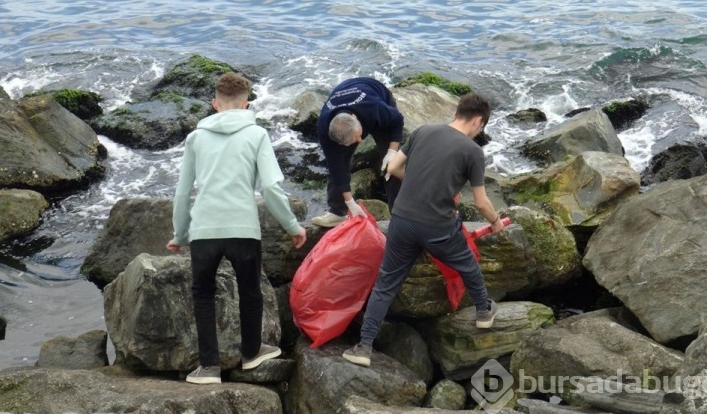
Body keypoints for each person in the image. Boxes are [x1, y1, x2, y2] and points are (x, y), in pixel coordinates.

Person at [342, 92, 505, 367]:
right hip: (437, 227)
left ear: (456, 112)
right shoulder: (473, 151)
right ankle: (484, 311)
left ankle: (363, 347)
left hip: (402, 220)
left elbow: (392, 167)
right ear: (478, 121)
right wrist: (496, 222)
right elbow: (481, 202)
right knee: (467, 265)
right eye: (481, 127)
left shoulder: (423, 131)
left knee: (385, 284)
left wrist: (419, 180)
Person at [166, 72, 307, 384]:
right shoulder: (256, 135)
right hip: (243, 228)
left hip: (204, 230)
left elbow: (182, 191)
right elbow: (270, 187)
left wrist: (179, 233)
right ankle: (252, 352)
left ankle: (209, 367)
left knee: (203, 295)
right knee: (250, 292)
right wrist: (292, 225)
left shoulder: (196, 138)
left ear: (215, 104)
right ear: (246, 103)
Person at [311, 77, 405, 228]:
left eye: (359, 135)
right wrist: (350, 203)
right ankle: (337, 212)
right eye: (355, 140)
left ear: (356, 119)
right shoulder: (324, 128)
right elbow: (336, 167)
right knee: (339, 163)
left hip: (374, 92)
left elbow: (397, 121)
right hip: (346, 109)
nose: (360, 141)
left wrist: (392, 151)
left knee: (392, 166)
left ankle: (400, 214)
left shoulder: (374, 107)